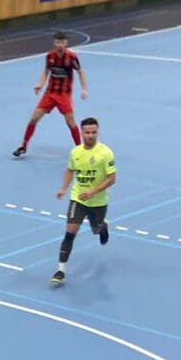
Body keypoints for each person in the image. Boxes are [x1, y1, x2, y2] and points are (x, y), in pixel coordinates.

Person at [50, 116, 114, 287]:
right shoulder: (75, 152)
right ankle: (61, 270)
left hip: (98, 201)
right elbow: (70, 170)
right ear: (82, 133)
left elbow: (112, 178)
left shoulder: (105, 153)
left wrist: (93, 191)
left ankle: (102, 227)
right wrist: (63, 188)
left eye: (94, 132)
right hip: (78, 199)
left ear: (97, 132)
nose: (90, 135)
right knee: (70, 233)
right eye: (87, 132)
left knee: (95, 229)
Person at [13, 31, 85, 158]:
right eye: (57, 42)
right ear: (54, 42)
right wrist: (40, 84)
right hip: (50, 93)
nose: (60, 45)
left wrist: (84, 89)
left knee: (70, 121)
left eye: (62, 42)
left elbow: (80, 71)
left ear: (66, 43)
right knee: (34, 118)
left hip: (64, 94)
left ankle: (80, 149)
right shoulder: (50, 56)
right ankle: (23, 146)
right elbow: (46, 72)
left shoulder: (71, 57)